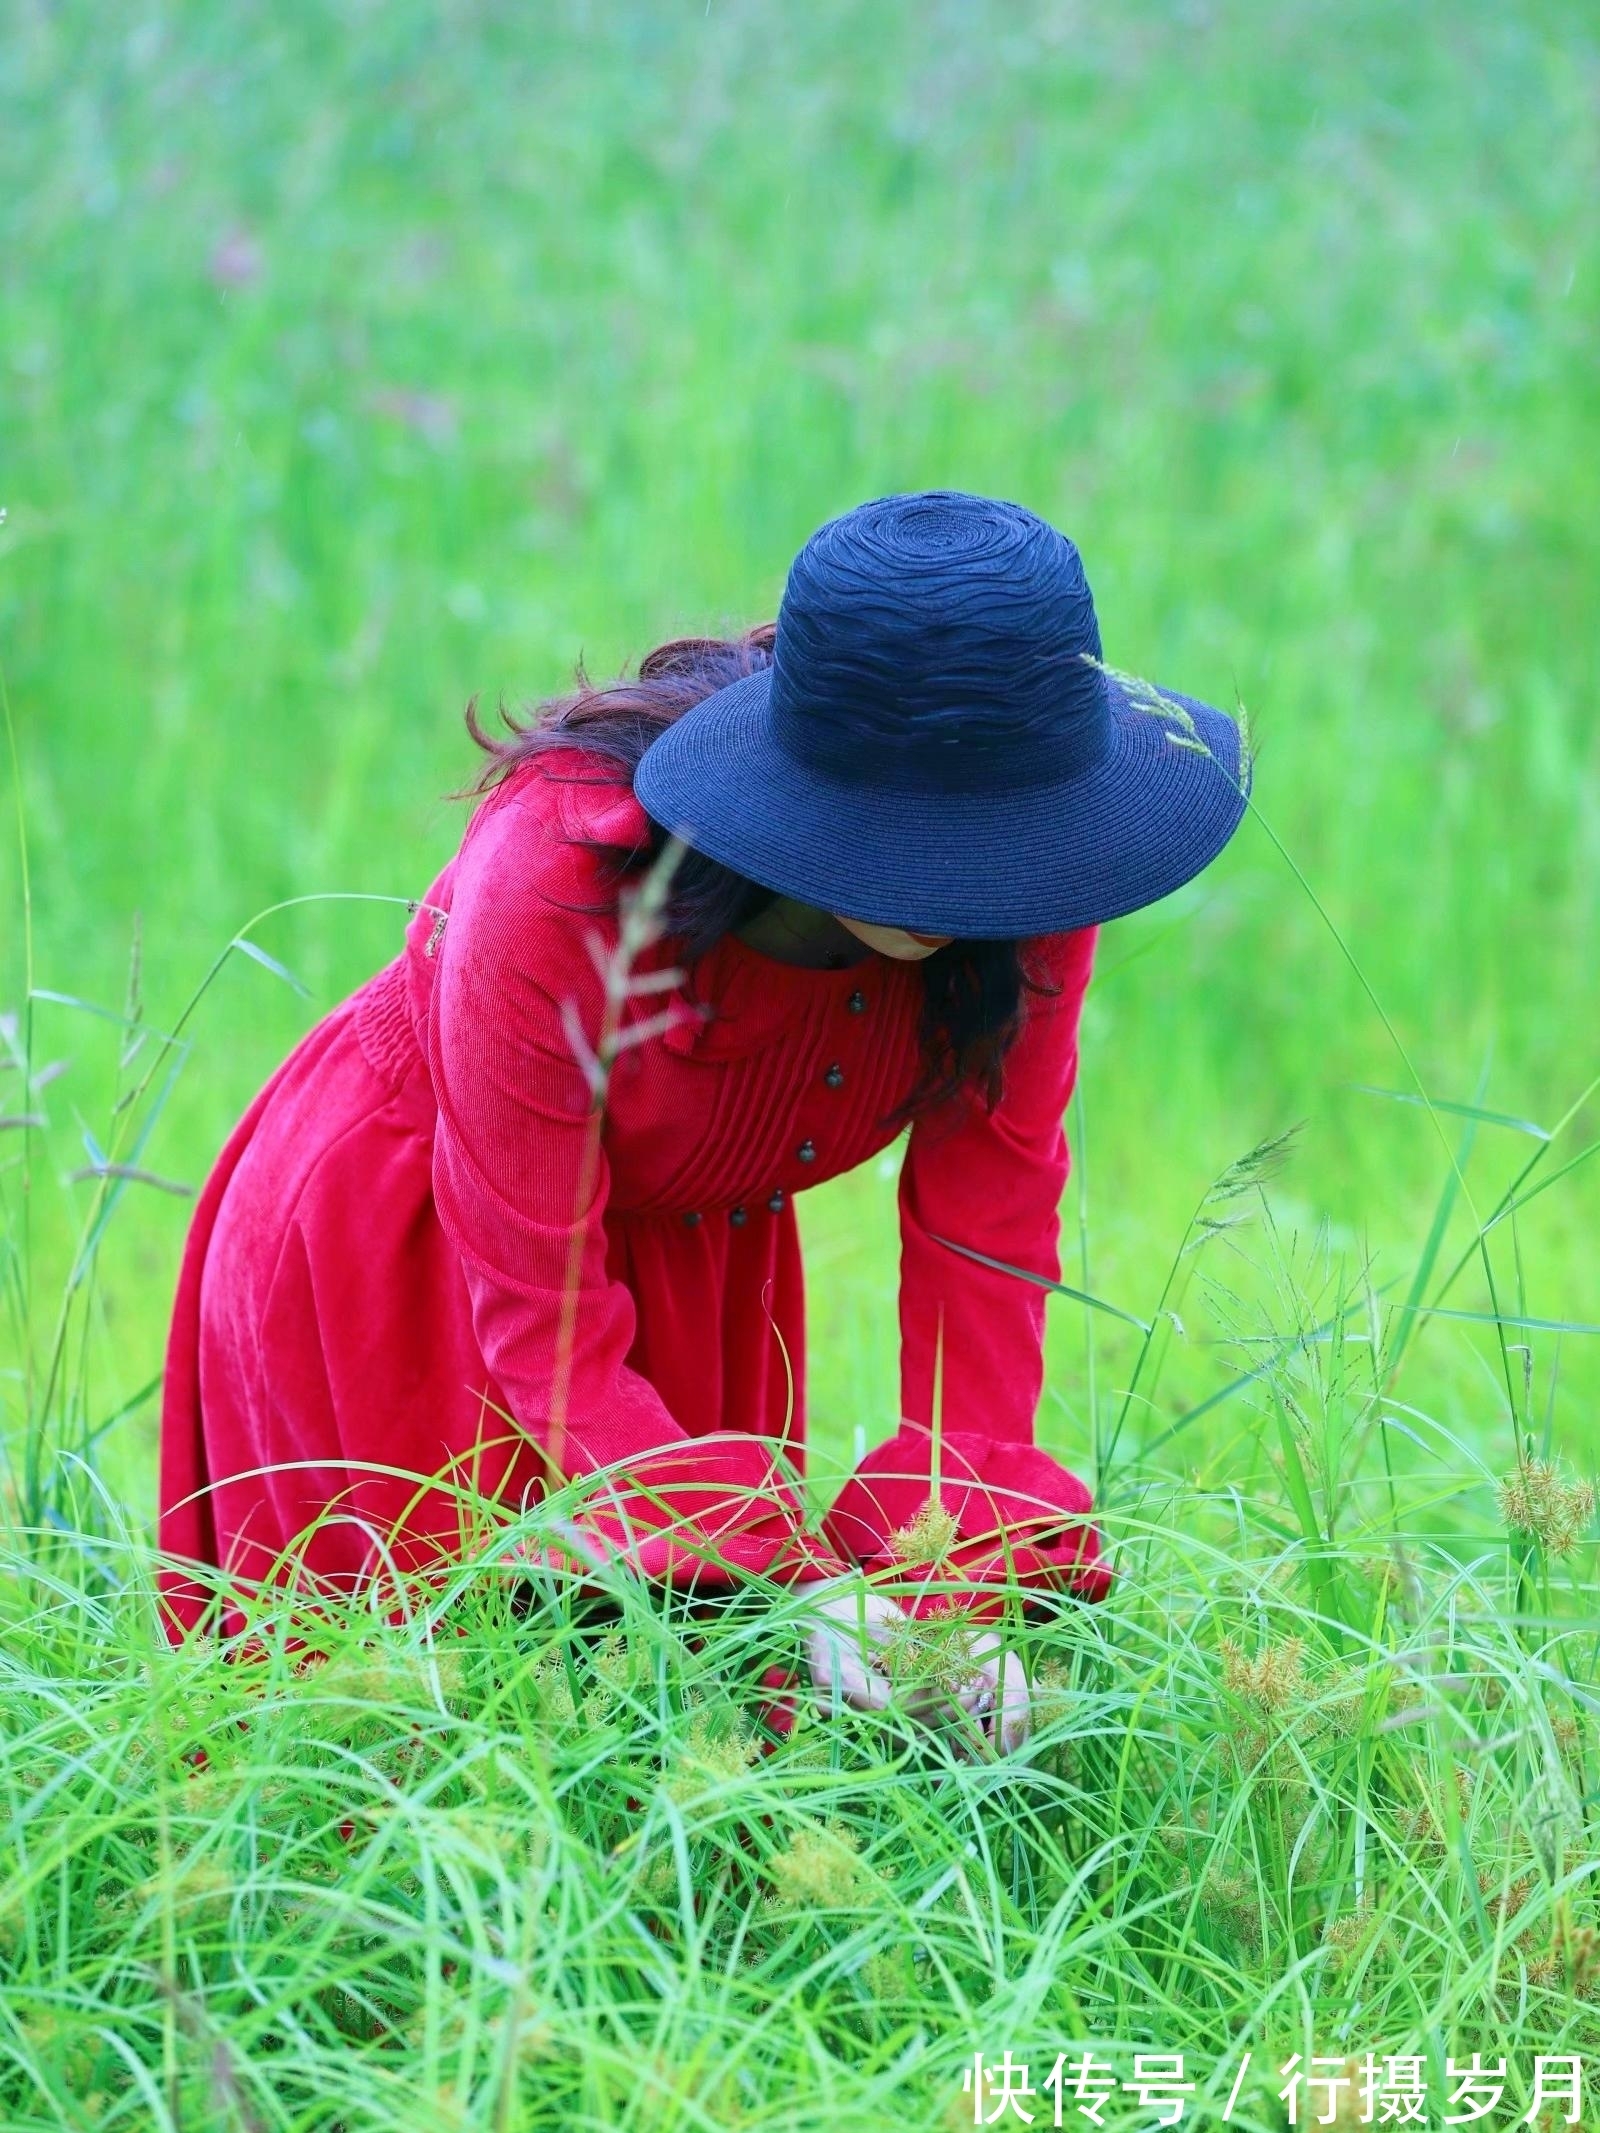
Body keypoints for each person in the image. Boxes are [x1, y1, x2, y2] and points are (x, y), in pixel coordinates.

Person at [157, 490, 1250, 1754]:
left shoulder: (1035, 863)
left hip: (693, 1263)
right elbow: (541, 1316)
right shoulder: (562, 871)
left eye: (987, 847)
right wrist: (796, 1586)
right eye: (916, 845)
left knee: (695, 1766)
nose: (962, 890)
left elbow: (989, 1225)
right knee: (422, 1745)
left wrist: (943, 1584)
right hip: (420, 1249)